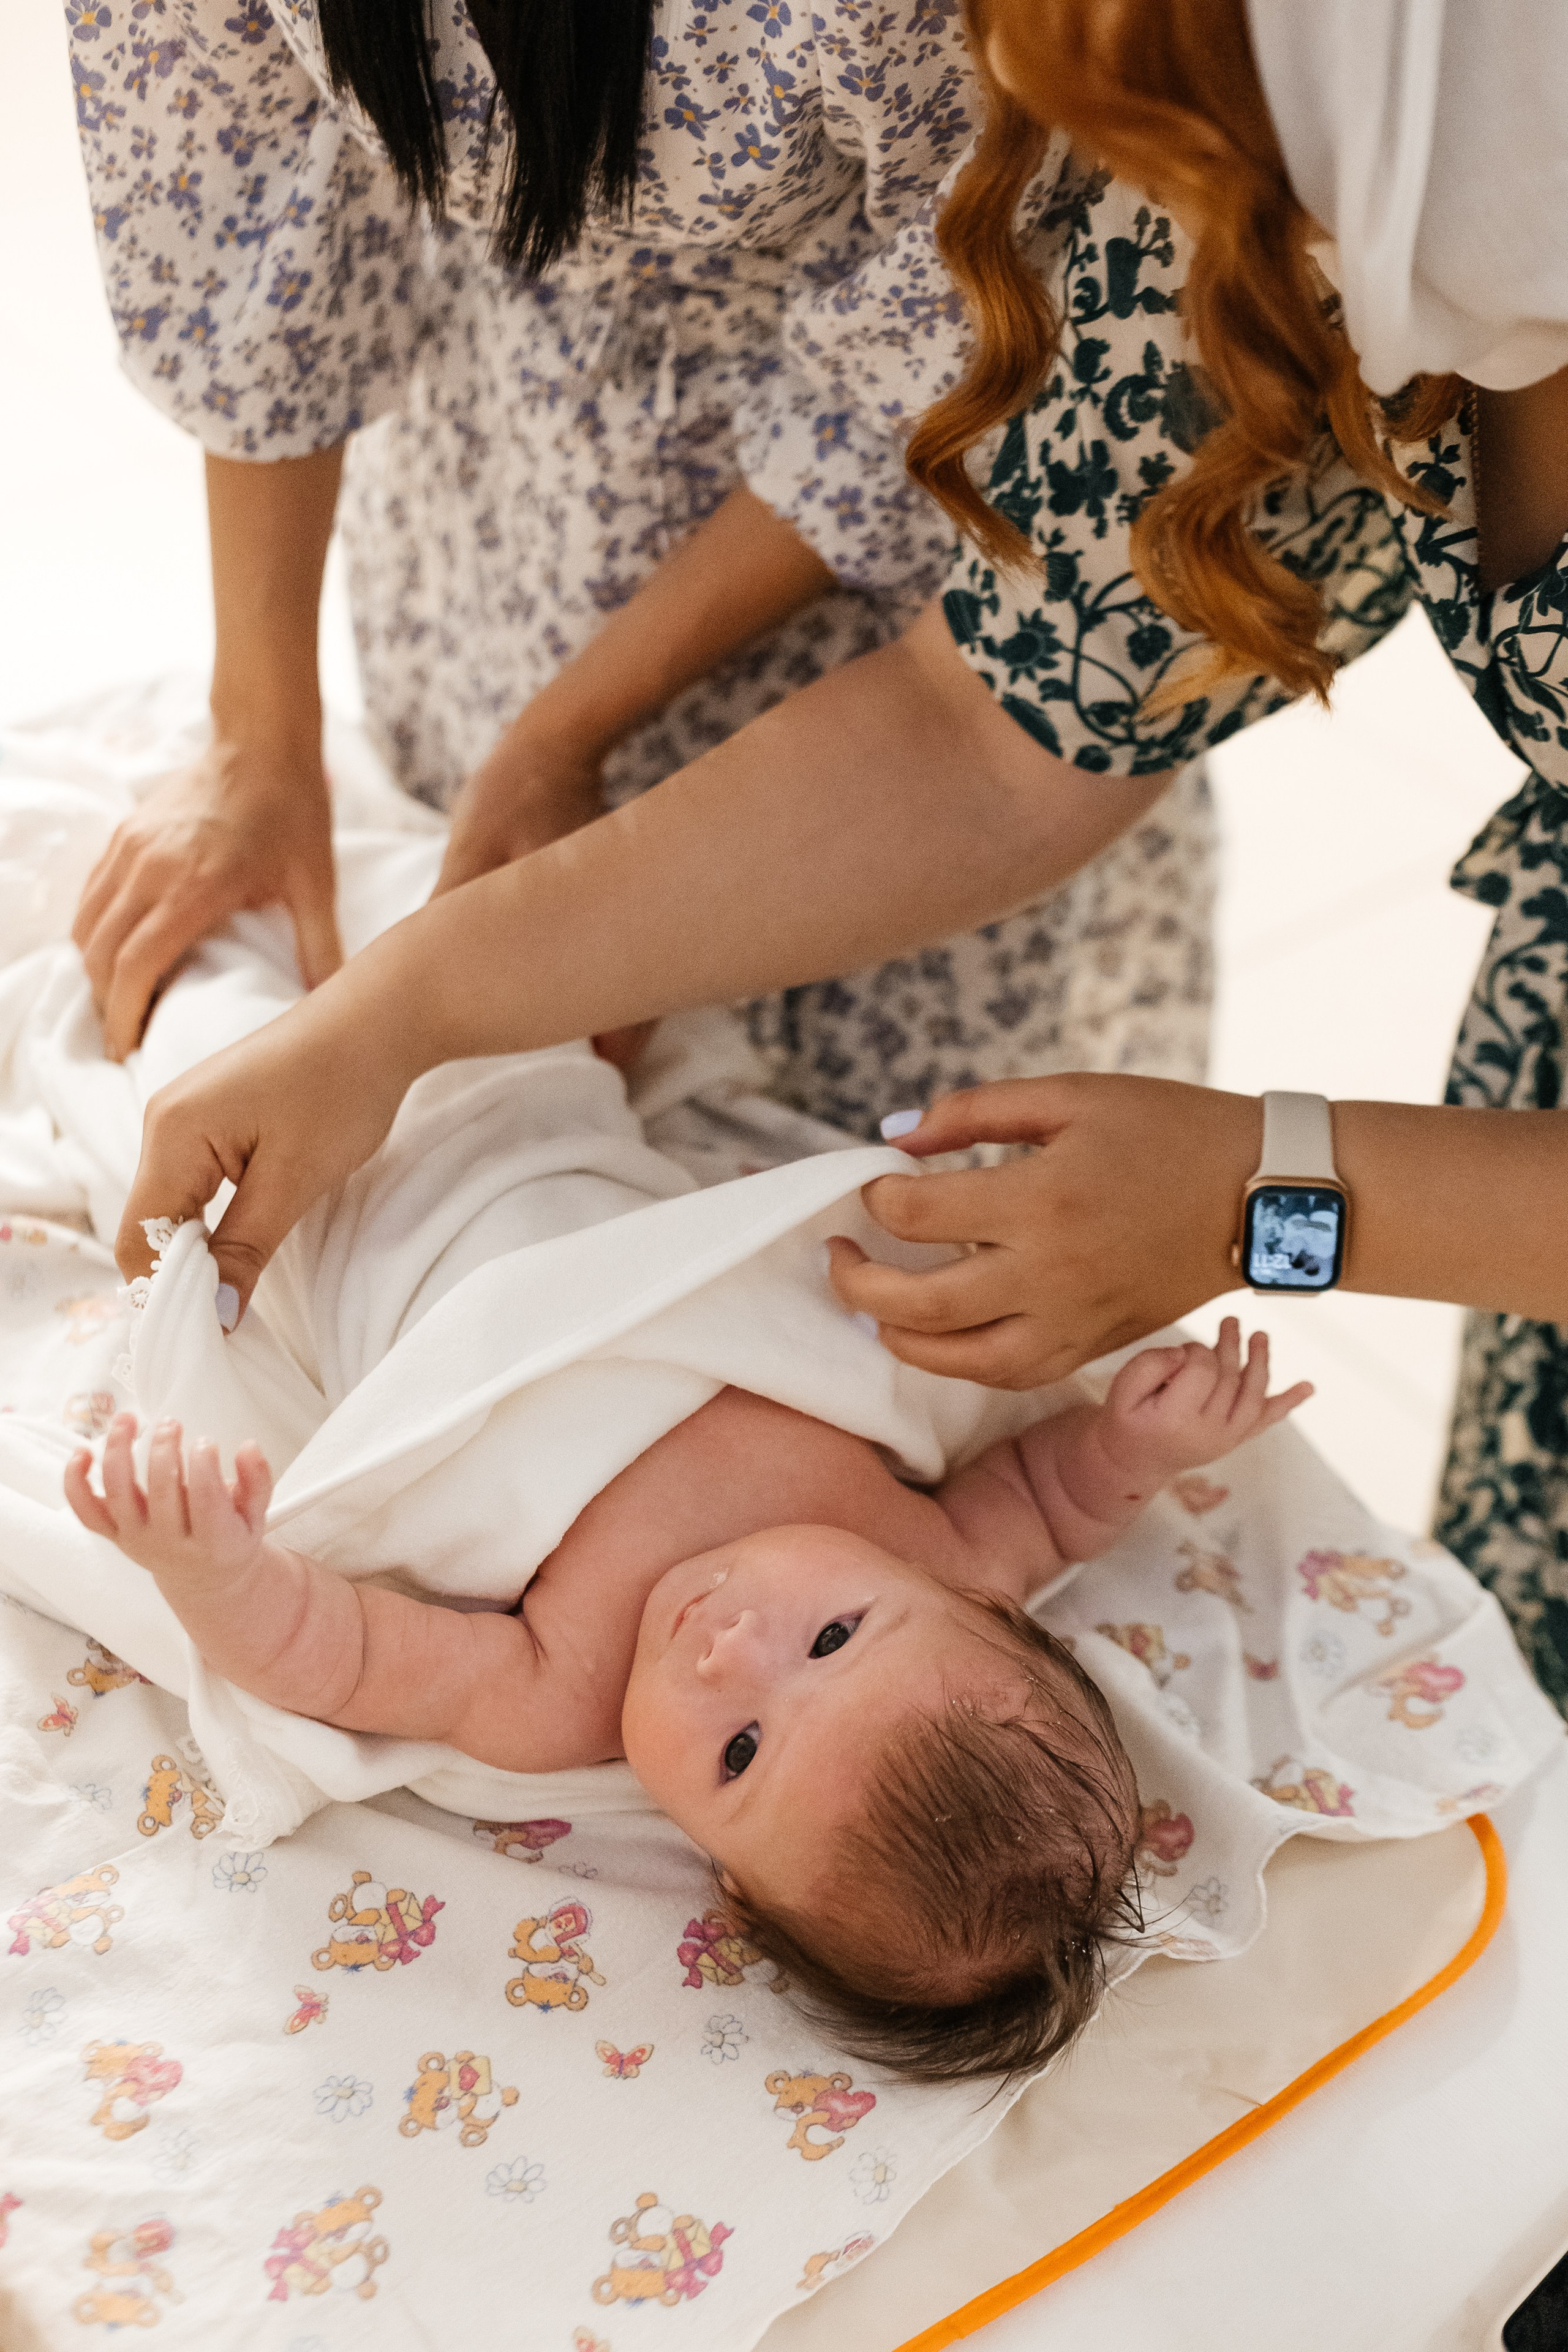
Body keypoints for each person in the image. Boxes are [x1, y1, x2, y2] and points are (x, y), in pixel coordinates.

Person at [63, 0, 1215, 1134]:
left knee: (876, 1171)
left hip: (888, 553)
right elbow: (231, 165)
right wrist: (259, 734)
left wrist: (563, 741)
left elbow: (969, 323)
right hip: (485, 482)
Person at [66, 1319, 1305, 2082]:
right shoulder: (949, 1555)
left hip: (433, 1294)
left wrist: (214, 1567)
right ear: (989, 1614)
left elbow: (334, 1656)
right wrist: (1137, 1449)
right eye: (831, 1635)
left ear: (726, 1874)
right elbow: (1049, 1494)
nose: (726, 1651)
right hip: (648, 1239)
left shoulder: (558, 1702)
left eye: (741, 1750)